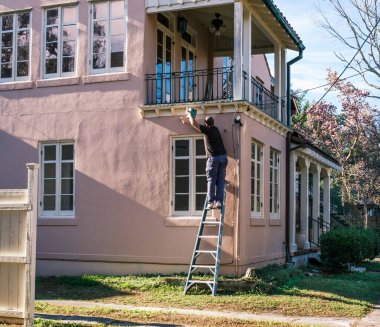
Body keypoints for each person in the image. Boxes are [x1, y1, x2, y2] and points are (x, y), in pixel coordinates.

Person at [180, 111, 228, 209]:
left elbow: (195, 124)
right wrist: (187, 123)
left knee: (211, 180)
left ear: (206, 124)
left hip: (213, 158)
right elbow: (197, 127)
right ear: (213, 123)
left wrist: (189, 114)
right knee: (220, 180)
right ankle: (218, 201)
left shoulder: (207, 130)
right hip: (223, 157)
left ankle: (210, 202)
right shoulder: (216, 129)